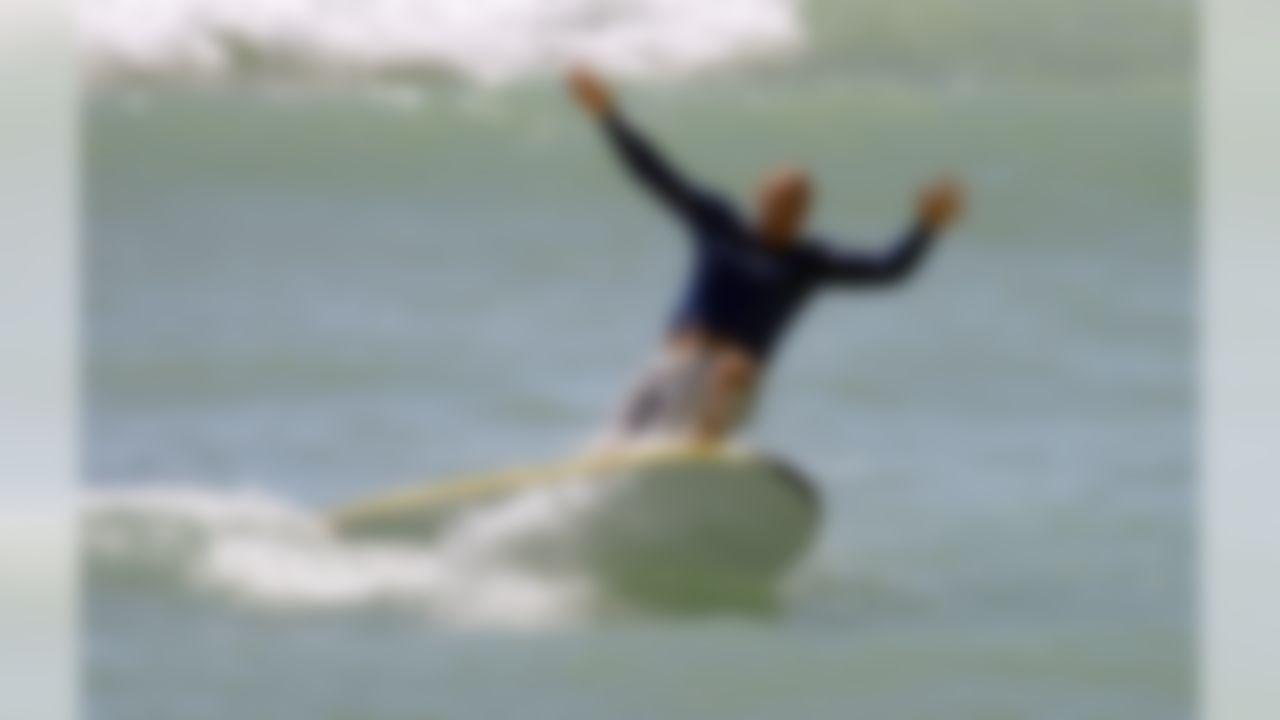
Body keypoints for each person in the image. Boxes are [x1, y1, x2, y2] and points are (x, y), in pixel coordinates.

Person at [568, 67, 965, 448]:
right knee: (612, 445)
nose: (789, 210)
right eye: (780, 200)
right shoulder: (717, 221)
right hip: (674, 367)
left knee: (735, 368)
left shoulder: (809, 261)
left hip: (730, 382)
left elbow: (888, 270)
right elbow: (655, 173)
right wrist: (608, 115)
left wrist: (926, 227)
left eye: (799, 204)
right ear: (759, 197)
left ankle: (703, 444)